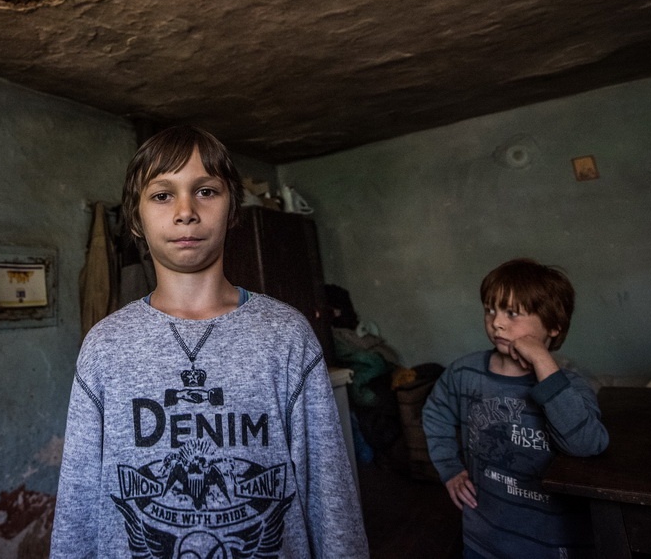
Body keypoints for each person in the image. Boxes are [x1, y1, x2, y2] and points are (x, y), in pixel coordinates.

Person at [51, 126, 368, 558]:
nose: (186, 211)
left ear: (232, 207)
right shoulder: (106, 345)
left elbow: (328, 490)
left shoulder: (285, 335)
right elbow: (79, 498)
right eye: (162, 195)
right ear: (136, 219)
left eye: (205, 191)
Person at [421, 258, 609, 559]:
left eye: (512, 313)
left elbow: (586, 444)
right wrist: (450, 469)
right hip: (482, 539)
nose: (496, 322)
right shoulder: (463, 373)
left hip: (552, 545)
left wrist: (543, 362)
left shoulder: (572, 385)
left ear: (553, 327)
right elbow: (435, 414)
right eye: (490, 309)